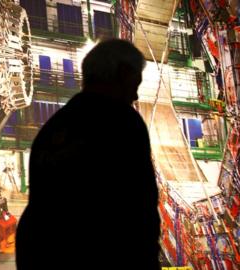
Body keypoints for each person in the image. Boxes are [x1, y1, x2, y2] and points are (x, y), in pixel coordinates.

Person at [15, 39, 160, 269]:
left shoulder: (52, 130)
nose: (135, 96)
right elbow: (138, 210)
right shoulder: (122, 121)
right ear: (122, 73)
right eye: (135, 85)